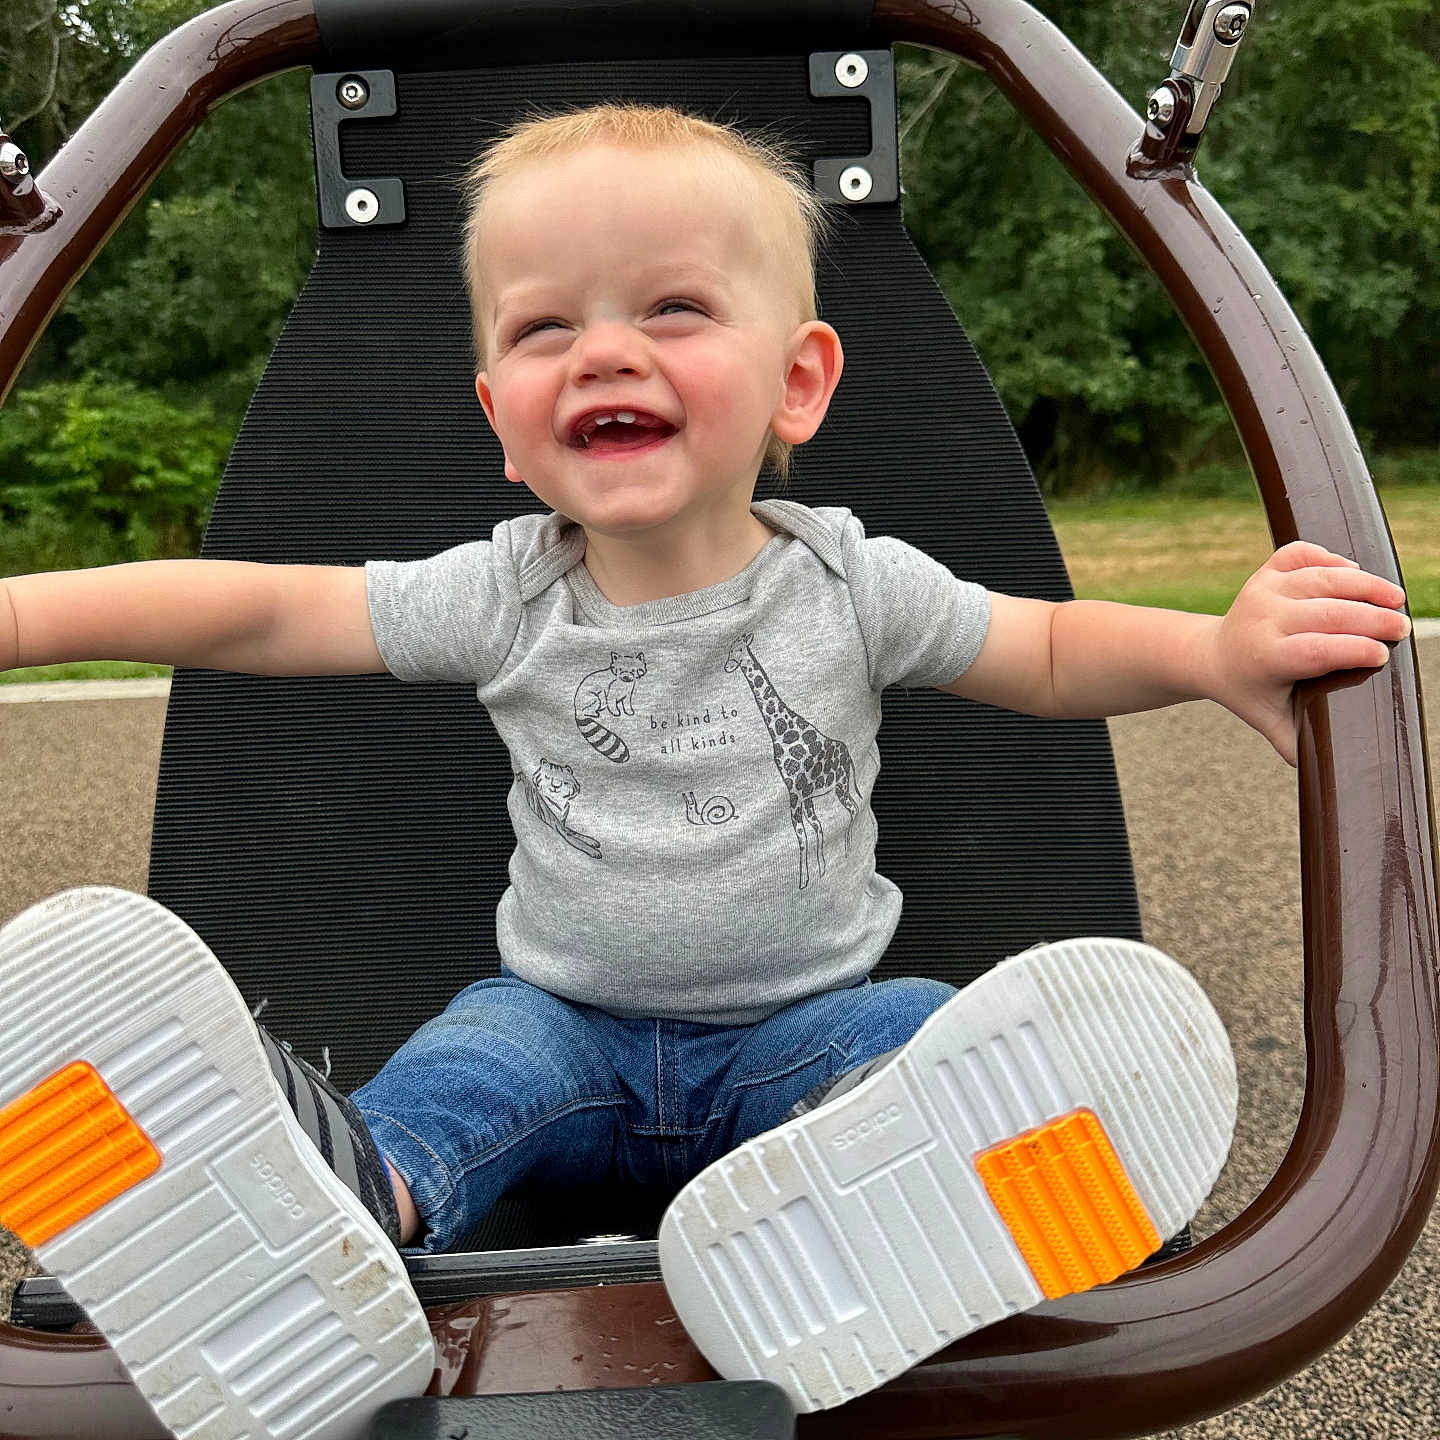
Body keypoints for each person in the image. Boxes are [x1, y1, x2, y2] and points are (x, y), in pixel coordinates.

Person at [0, 103, 1409, 1436]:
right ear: (502, 416)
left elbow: (1045, 648)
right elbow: (258, 608)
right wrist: (24, 616)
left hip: (800, 1031)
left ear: (797, 380)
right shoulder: (506, 594)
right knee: (454, 1081)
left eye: (671, 309)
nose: (606, 352)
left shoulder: (850, 582)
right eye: (548, 326)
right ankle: (334, 1207)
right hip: (562, 1027)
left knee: (918, 1035)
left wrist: (1216, 652)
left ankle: (899, 1206)